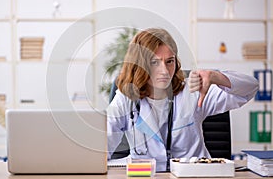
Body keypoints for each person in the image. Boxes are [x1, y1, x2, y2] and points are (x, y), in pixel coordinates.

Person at [106, 28, 259, 172]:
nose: (165, 71)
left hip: (196, 175)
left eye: (169, 61)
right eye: (154, 62)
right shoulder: (126, 98)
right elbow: (102, 147)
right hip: (148, 175)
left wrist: (215, 76)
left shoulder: (192, 90)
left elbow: (250, 88)